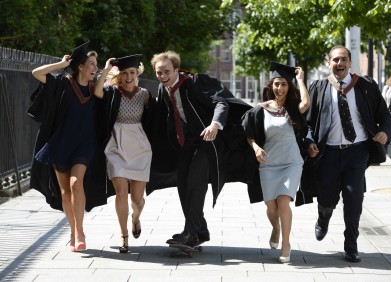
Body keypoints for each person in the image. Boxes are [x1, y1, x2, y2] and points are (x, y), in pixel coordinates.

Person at [148, 50, 261, 248]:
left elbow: (221, 102)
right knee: (183, 186)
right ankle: (200, 229)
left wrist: (215, 124)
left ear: (176, 69)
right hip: (185, 144)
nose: (163, 76)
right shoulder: (162, 89)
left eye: (166, 72)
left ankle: (190, 233)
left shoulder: (195, 82)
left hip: (208, 142)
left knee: (195, 183)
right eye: (159, 73)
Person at [304, 45, 391, 263]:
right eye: (335, 60)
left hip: (357, 152)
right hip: (329, 153)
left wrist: (384, 132)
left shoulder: (365, 86)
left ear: (350, 63)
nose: (339, 64)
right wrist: (309, 141)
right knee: (327, 198)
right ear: (328, 63)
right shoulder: (319, 87)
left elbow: (384, 113)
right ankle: (323, 217)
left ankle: (351, 245)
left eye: (343, 60)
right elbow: (308, 124)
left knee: (354, 199)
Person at [30, 42, 99, 252]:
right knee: (65, 191)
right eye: (91, 64)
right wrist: (61, 64)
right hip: (61, 143)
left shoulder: (95, 88)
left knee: (76, 183)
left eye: (96, 64)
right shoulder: (63, 83)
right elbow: (36, 72)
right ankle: (72, 230)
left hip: (85, 143)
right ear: (80, 66)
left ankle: (80, 232)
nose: (95, 68)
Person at [241, 62, 310, 263]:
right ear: (271, 86)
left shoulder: (293, 110)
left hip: (291, 162)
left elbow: (305, 102)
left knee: (283, 202)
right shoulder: (260, 110)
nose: (279, 88)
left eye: (284, 84)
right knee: (271, 207)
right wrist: (256, 148)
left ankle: (286, 245)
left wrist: (300, 80)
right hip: (269, 163)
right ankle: (276, 228)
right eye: (276, 84)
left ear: (289, 87)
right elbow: (249, 135)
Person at [93, 55, 152, 253]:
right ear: (120, 74)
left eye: (132, 73)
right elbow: (96, 91)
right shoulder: (112, 92)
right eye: (125, 73)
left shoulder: (145, 94)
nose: (128, 77)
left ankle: (136, 217)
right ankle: (123, 235)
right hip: (115, 145)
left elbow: (156, 118)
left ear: (137, 73)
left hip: (140, 147)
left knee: (137, 200)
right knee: (120, 192)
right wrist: (107, 69)